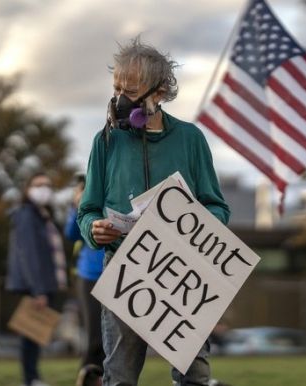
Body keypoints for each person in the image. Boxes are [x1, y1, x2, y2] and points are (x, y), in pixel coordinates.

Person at [77, 37, 230, 386]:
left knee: (194, 375)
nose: (119, 99)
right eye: (117, 88)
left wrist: (193, 224)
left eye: (130, 89)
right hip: (124, 271)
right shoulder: (105, 142)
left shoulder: (190, 139)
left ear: (158, 93)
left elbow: (217, 207)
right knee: (120, 377)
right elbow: (87, 210)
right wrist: (94, 229)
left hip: (182, 271)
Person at [5, 173, 68, 386]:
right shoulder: (26, 214)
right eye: (38, 185)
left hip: (42, 283)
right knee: (30, 333)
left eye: (48, 185)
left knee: (35, 333)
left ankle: (33, 377)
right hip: (34, 285)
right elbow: (29, 254)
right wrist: (38, 289)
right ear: (28, 188)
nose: (44, 189)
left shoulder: (43, 215)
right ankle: (30, 379)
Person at [64, 174, 106, 386]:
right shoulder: (84, 208)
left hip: (116, 275)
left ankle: (106, 376)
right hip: (89, 276)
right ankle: (89, 376)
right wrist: (76, 206)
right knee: (95, 335)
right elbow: (71, 233)